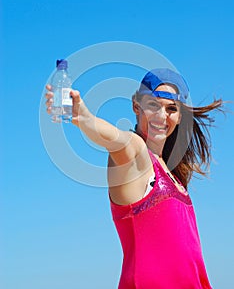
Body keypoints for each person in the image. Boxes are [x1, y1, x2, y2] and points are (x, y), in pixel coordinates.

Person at [45, 67, 223, 288]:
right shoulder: (135, 154)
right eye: (153, 105)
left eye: (171, 109)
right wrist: (85, 119)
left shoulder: (175, 177)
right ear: (136, 106)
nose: (161, 116)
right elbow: (117, 140)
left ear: (179, 117)